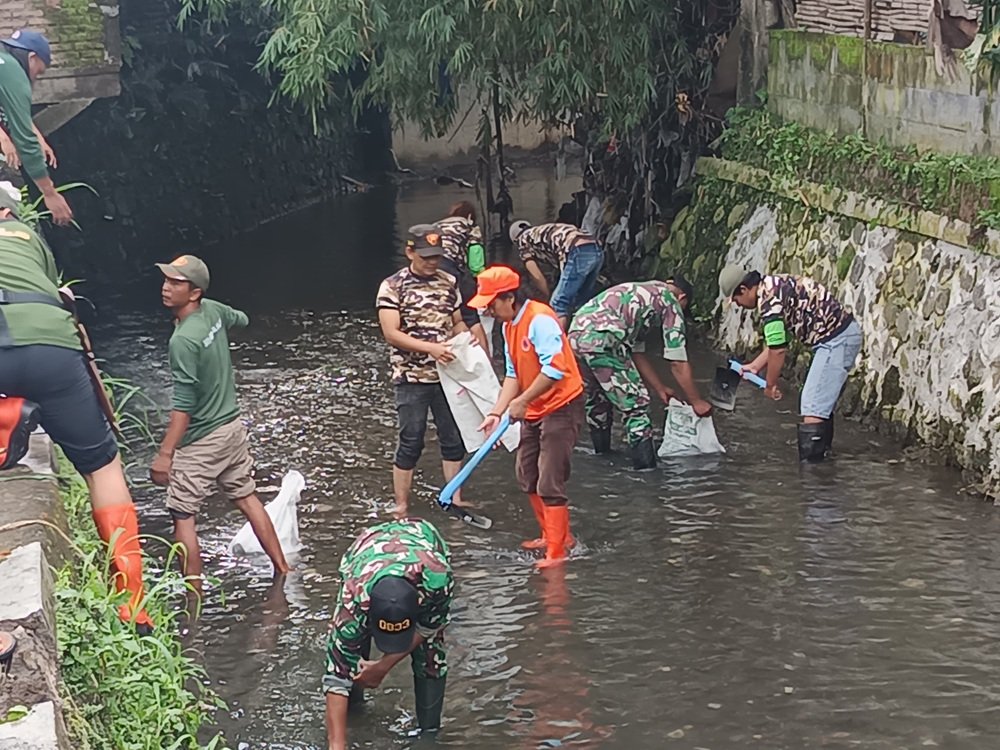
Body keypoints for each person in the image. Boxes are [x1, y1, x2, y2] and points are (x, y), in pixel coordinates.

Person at [0, 183, 152, 630]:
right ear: (9, 214)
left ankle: (8, 416)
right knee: (102, 466)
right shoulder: (31, 240)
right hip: (52, 348)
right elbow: (56, 294)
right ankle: (132, 599)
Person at [151, 255, 290, 590]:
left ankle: (193, 597)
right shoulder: (212, 311)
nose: (166, 288)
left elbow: (183, 405)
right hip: (231, 428)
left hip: (204, 438)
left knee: (182, 513)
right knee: (246, 497)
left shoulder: (182, 341)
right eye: (166, 280)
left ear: (194, 292)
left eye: (176, 283)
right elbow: (240, 318)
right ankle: (284, 569)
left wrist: (166, 454)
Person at [470, 266, 584, 566]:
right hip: (533, 407)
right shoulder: (508, 326)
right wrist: (497, 411)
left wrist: (522, 401)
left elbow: (555, 368)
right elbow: (513, 374)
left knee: (550, 479)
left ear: (509, 298)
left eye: (491, 304)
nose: (489, 311)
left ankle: (557, 553)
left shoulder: (540, 320)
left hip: (561, 405)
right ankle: (552, 535)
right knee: (527, 473)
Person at [323, 518, 453, 750]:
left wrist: (383, 666)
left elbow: (432, 624)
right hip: (366, 550)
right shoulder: (353, 603)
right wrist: (337, 746)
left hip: (421, 536)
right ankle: (355, 706)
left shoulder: (437, 579)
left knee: (431, 652)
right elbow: (336, 675)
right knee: (352, 650)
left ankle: (430, 734)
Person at [718, 265, 863, 461]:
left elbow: (778, 349)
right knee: (818, 404)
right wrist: (755, 366)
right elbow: (778, 340)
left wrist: (770, 385)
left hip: (836, 340)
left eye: (736, 299)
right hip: (838, 336)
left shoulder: (769, 301)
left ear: (744, 290)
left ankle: (812, 476)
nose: (737, 304)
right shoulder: (773, 286)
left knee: (812, 405)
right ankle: (826, 466)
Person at [376, 225, 472, 518]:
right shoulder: (393, 286)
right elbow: (391, 333)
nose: (432, 262)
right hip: (411, 377)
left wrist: (467, 339)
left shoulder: (449, 282)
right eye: (426, 256)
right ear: (410, 252)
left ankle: (454, 497)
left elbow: (456, 321)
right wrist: (428, 348)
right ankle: (401, 504)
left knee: (453, 437)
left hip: (447, 375)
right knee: (411, 438)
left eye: (436, 256)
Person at [569, 278, 713, 470]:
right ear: (683, 298)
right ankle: (646, 473)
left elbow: (637, 353)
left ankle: (601, 458)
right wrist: (697, 402)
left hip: (575, 335)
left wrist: (660, 388)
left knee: (598, 399)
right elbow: (677, 361)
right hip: (605, 338)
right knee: (637, 406)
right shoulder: (671, 301)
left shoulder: (643, 294)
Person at [0, 30, 71, 225]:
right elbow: (24, 140)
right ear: (32, 57)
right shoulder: (14, 72)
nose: (35, 79)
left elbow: (15, 110)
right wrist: (50, 194)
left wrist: (39, 137)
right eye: (39, 72)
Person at [509, 219, 604, 328]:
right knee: (581, 301)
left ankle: (559, 342)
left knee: (558, 303)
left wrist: (547, 297)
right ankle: (585, 334)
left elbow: (538, 277)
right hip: (596, 248)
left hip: (577, 249)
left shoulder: (522, 241)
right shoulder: (540, 231)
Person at [435, 206, 489, 351]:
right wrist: (481, 290)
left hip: (430, 269)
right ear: (470, 215)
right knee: (470, 318)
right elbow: (476, 264)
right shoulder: (470, 226)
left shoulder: (437, 225)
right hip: (450, 268)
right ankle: (485, 362)